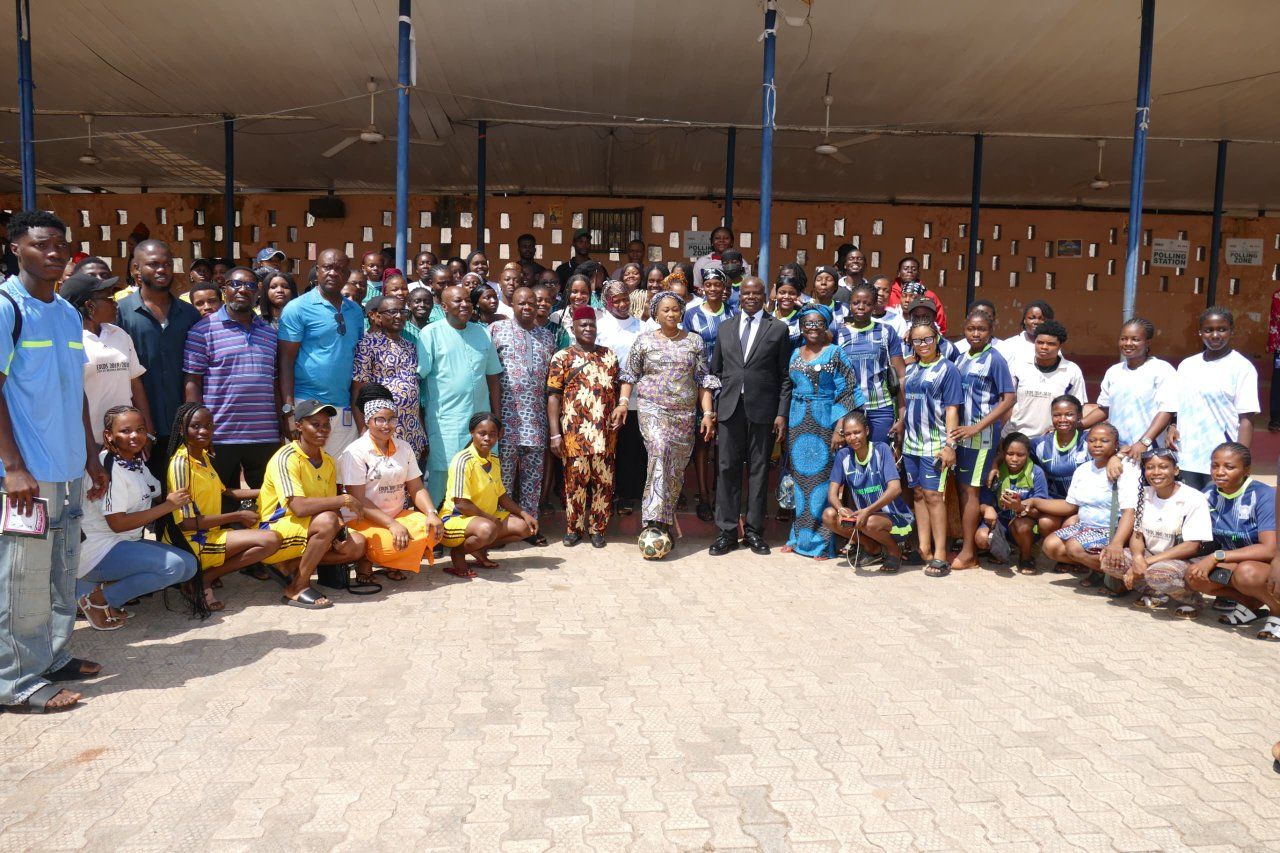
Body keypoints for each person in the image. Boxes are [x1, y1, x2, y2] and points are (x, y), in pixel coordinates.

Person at [0, 211, 108, 713]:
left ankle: (52, 656)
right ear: (15, 249)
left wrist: (91, 456)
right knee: (22, 578)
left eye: (60, 246)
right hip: (27, 476)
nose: (54, 253)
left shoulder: (66, 312)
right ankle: (15, 682)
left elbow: (77, 392)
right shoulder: (6, 308)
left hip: (67, 469)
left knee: (61, 571)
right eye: (41, 244)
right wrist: (13, 467)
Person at [77, 405, 198, 630]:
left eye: (140, 429)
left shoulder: (135, 462)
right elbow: (118, 523)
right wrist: (169, 506)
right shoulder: (108, 467)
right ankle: (98, 600)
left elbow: (157, 492)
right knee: (173, 567)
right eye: (125, 431)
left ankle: (101, 592)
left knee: (189, 565)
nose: (135, 436)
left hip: (124, 543)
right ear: (108, 435)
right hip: (98, 550)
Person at [615, 291, 719, 535]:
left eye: (675, 309)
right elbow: (630, 374)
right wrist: (622, 403)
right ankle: (654, 523)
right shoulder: (644, 341)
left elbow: (703, 379)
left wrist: (707, 413)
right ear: (656, 314)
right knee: (659, 452)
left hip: (683, 414)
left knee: (675, 468)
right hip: (653, 409)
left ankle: (664, 518)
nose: (671, 314)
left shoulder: (694, 342)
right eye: (666, 310)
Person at [164, 403, 282, 610]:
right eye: (196, 426)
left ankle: (203, 576)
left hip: (209, 533)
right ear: (182, 429)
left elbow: (227, 492)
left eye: (208, 426)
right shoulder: (181, 464)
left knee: (268, 533)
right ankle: (203, 579)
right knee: (270, 540)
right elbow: (187, 523)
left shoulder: (202, 456)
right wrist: (237, 516)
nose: (203, 431)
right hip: (191, 540)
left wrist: (274, 491)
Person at [257, 399, 367, 609]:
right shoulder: (286, 457)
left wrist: (340, 533)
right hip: (274, 529)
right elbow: (298, 508)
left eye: (326, 425)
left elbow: (332, 508)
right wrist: (343, 499)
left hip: (308, 527)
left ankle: (289, 565)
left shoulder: (328, 461)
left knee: (357, 544)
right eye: (315, 424)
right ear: (299, 426)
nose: (323, 430)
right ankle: (297, 587)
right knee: (327, 522)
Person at [710, 278, 792, 556]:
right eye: (746, 293)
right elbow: (716, 371)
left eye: (757, 293)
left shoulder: (778, 328)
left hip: (763, 410)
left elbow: (784, 376)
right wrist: (713, 408)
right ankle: (727, 531)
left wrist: (781, 413)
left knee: (758, 469)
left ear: (765, 296)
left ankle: (754, 531)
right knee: (727, 468)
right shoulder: (725, 328)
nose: (751, 297)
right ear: (739, 295)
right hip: (730, 408)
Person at [184, 266, 280, 496]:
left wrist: (281, 423)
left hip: (264, 434)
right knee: (219, 499)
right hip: (220, 434)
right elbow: (193, 381)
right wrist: (196, 427)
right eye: (235, 284)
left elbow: (275, 383)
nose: (242, 290)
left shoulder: (270, 333)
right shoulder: (202, 331)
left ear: (257, 292)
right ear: (224, 289)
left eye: (249, 285)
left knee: (268, 500)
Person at [780, 304, 863, 559]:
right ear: (801, 327)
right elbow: (789, 386)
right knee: (800, 481)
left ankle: (822, 543)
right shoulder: (795, 353)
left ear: (826, 326)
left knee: (822, 483)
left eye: (818, 323)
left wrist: (839, 428)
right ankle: (798, 537)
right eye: (808, 324)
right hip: (798, 421)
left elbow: (849, 391)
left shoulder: (836, 353)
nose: (813, 328)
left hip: (825, 421)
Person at [115, 239, 201, 485]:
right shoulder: (121, 312)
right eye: (153, 264)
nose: (162, 270)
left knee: (182, 491)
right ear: (136, 269)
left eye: (167, 264)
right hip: (138, 427)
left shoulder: (189, 314)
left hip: (181, 422)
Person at [339, 385, 442, 583]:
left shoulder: (404, 447)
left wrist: (431, 512)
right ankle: (366, 560)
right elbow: (357, 499)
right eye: (380, 420)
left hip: (396, 515)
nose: (386, 425)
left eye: (391, 419)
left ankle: (394, 562)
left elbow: (416, 487)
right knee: (388, 545)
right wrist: (392, 525)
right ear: (368, 421)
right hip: (361, 519)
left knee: (433, 529)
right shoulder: (355, 451)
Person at [1095, 448, 1213, 617]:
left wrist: (1146, 562)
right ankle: (1157, 593)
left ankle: (1191, 600)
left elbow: (1191, 546)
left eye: (1163, 467)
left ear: (1176, 470)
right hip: (1152, 554)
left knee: (1158, 574)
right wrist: (1137, 557)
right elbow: (1137, 534)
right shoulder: (1143, 494)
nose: (1156, 472)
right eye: (1150, 467)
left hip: (1183, 558)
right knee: (1110, 560)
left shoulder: (1194, 498)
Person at [1183, 443, 1280, 637]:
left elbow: (1269, 549)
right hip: (1238, 562)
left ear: (1246, 470)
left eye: (1229, 467)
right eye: (1215, 465)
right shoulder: (1209, 494)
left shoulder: (1263, 495)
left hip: (1269, 565)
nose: (1219, 472)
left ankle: (1277, 611)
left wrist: (1216, 557)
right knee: (1195, 575)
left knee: (1246, 573)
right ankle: (1250, 603)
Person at [416, 284, 503, 500]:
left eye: (467, 300)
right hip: (446, 422)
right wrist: (419, 420)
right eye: (458, 301)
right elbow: (418, 379)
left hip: (481, 421)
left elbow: (493, 377)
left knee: (480, 473)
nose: (465, 305)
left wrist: (497, 417)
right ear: (444, 307)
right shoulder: (430, 334)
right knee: (444, 474)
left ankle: (476, 518)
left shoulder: (482, 333)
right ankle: (436, 517)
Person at [278, 249, 365, 457]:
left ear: (347, 275)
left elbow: (358, 362)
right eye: (327, 267)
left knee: (341, 472)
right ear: (317, 271)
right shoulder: (297, 308)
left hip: (343, 407)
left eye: (339, 269)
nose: (333, 273)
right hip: (307, 404)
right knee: (306, 470)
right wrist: (289, 412)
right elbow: (285, 361)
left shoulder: (355, 311)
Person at [548, 306, 621, 547]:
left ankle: (598, 529)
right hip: (575, 433)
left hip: (605, 433)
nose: (588, 329)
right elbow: (553, 397)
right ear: (573, 328)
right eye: (583, 325)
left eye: (592, 325)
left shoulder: (609, 356)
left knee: (604, 483)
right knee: (575, 483)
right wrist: (555, 434)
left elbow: (616, 391)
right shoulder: (562, 357)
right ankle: (574, 529)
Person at [949, 309, 1016, 571]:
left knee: (971, 492)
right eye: (971, 329)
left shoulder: (995, 359)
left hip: (981, 438)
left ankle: (969, 553)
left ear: (991, 331)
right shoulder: (963, 356)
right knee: (964, 491)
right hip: (962, 436)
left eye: (981, 329)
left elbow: (1009, 398)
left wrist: (977, 427)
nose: (976, 334)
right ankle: (965, 544)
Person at [489, 286, 555, 542]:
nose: (527, 307)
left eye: (531, 303)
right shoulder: (497, 330)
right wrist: (495, 418)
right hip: (506, 418)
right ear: (512, 305)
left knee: (532, 478)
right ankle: (500, 529)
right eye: (522, 303)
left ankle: (530, 528)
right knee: (503, 477)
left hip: (536, 419)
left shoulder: (547, 337)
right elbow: (490, 374)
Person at [1167, 307, 1258, 491]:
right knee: (1189, 506)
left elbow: (1246, 419)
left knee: (1217, 507)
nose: (1215, 335)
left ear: (1231, 331)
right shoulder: (1187, 365)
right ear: (1200, 332)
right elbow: (1180, 404)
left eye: (1222, 329)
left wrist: (1239, 461)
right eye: (1209, 330)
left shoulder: (1242, 367)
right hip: (1187, 457)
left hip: (1221, 461)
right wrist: (1173, 425)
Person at [1034, 423, 1139, 583]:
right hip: (1087, 526)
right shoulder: (1083, 470)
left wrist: (1117, 543)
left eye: (1104, 440)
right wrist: (1035, 502)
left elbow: (1130, 512)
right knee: (1051, 546)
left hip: (1112, 529)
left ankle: (1120, 575)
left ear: (1116, 444)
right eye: (1092, 440)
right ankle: (1100, 570)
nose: (1097, 444)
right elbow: (1070, 505)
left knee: (1074, 547)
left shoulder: (1125, 468)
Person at [438, 412, 537, 577]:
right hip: (455, 520)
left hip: (484, 519)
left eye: (492, 434)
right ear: (472, 433)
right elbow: (462, 504)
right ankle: (458, 554)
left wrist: (524, 514)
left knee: (526, 528)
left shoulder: (494, 459)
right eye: (482, 433)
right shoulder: (463, 460)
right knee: (488, 529)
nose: (487, 438)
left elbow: (501, 496)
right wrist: (490, 519)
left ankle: (478, 548)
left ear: (499, 435)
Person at [900, 320, 962, 576]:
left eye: (928, 339)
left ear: (937, 339)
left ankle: (940, 555)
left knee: (934, 496)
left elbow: (952, 410)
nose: (923, 344)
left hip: (934, 445)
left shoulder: (948, 369)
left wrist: (950, 445)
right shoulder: (911, 369)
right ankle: (924, 548)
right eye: (917, 340)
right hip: (911, 444)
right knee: (917, 494)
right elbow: (907, 405)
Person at [63, 271, 154, 445]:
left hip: (125, 442)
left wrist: (147, 432)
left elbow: (135, 383)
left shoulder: (119, 334)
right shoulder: (70, 341)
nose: (115, 303)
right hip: (86, 442)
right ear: (90, 306)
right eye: (109, 298)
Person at [822, 411, 911, 571]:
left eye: (857, 432)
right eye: (848, 434)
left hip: (895, 518)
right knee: (829, 515)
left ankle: (894, 551)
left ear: (867, 431)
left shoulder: (881, 449)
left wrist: (868, 511)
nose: (852, 437)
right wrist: (841, 509)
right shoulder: (843, 456)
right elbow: (832, 494)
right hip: (864, 518)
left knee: (868, 521)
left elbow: (895, 489)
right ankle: (873, 549)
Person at [683, 270, 736, 521]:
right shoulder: (691, 314)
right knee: (702, 442)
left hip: (728, 385)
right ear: (702, 287)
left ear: (724, 287)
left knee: (724, 443)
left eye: (717, 284)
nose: (713, 289)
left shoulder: (733, 314)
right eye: (708, 284)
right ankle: (704, 497)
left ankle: (721, 497)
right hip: (698, 385)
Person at [1084, 318, 1175, 458]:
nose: (1128, 343)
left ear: (1148, 342)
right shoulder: (1114, 372)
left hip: (1150, 450)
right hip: (1119, 450)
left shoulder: (1161, 369)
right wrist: (1076, 425)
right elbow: (1105, 408)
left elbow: (1167, 410)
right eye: (1123, 339)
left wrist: (1144, 442)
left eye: (1135, 339)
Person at [351, 295, 427, 460]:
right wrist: (363, 430)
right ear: (379, 316)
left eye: (402, 312)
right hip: (383, 428)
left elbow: (414, 391)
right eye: (392, 312)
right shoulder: (367, 345)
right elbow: (358, 391)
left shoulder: (410, 347)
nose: (398, 316)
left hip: (412, 429)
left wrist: (422, 432)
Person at [596, 280, 646, 516]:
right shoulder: (599, 326)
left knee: (630, 447)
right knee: (605, 447)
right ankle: (605, 493)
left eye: (625, 298)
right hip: (604, 397)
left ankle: (627, 494)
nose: (622, 304)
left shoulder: (642, 327)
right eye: (615, 300)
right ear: (607, 302)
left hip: (634, 399)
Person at [834, 282, 905, 444]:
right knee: (851, 456)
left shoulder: (886, 331)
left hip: (881, 409)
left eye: (867, 303)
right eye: (856, 303)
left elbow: (901, 375)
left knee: (879, 454)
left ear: (874, 306)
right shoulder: (839, 335)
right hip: (850, 408)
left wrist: (902, 417)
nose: (861, 307)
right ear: (850, 305)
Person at [976, 432, 1049, 574]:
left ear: (1028, 454)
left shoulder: (1036, 473)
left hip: (1024, 522)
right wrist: (987, 509)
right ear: (1003, 453)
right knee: (981, 538)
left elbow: (1041, 511)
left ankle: (1026, 557)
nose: (1014, 459)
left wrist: (1020, 507)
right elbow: (981, 502)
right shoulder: (995, 472)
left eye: (1020, 455)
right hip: (1001, 521)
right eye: (1010, 454)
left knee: (1022, 525)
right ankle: (1002, 551)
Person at [1005, 319, 1087, 437]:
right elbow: (1006, 402)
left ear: (1060, 346)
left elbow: (1078, 407)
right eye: (1040, 342)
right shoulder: (1019, 366)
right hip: (1017, 436)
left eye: (1051, 344)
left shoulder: (1071, 371)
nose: (1044, 347)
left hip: (1051, 438)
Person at [1030, 395, 1092, 544]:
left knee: (1070, 525)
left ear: (1079, 415)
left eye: (1069, 414)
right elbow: (1016, 449)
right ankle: (1057, 553)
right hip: (1056, 501)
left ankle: (1071, 554)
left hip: (1084, 503)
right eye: (1057, 415)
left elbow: (1115, 446)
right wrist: (995, 464)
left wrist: (1118, 456)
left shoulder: (1090, 440)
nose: (1062, 419)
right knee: (1045, 523)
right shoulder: (1040, 444)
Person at [888, 256, 947, 334]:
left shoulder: (929, 295)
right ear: (898, 273)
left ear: (918, 274)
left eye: (913, 269)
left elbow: (940, 323)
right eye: (905, 268)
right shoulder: (889, 293)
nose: (909, 271)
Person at [996, 301, 1053, 367]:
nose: (1036, 322)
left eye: (1042, 319)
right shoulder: (1009, 345)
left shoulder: (1053, 346)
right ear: (1024, 320)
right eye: (1032, 318)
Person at [772, 276, 805, 350]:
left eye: (792, 293)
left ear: (797, 296)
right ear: (776, 294)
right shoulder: (767, 317)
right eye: (782, 293)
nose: (786, 296)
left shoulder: (801, 319)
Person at [869, 274, 906, 338]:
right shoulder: (859, 317)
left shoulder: (897, 320)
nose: (881, 293)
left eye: (886, 291)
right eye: (877, 289)